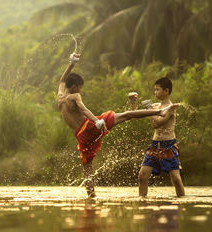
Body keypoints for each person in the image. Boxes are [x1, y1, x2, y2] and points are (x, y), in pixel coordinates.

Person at [57, 54, 179, 197]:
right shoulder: (75, 96)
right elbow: (83, 109)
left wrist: (71, 64)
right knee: (126, 115)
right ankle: (159, 110)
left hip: (80, 136)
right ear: (75, 86)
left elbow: (62, 80)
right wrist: (96, 121)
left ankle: (91, 198)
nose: (80, 90)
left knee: (87, 169)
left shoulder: (60, 98)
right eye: (80, 87)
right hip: (89, 126)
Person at [135, 77, 185, 197]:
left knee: (176, 179)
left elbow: (156, 123)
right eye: (155, 90)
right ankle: (143, 202)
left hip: (169, 145)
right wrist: (133, 102)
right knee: (142, 176)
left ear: (166, 91)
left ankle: (182, 201)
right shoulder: (156, 106)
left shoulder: (171, 108)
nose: (155, 92)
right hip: (154, 145)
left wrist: (150, 109)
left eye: (157, 90)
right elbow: (135, 114)